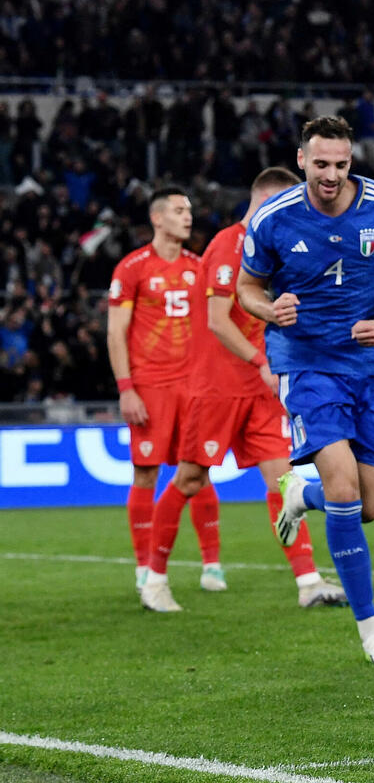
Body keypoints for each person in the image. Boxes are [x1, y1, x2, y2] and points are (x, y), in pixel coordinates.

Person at [237, 116, 374, 664]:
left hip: (369, 366)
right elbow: (247, 287)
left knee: (367, 506)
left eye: (340, 164)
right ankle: (372, 629)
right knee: (344, 489)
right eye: (320, 163)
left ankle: (302, 494)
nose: (330, 175)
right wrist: (269, 309)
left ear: (351, 161)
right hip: (305, 365)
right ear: (301, 160)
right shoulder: (273, 218)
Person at [140, 167, 348, 612]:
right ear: (268, 201)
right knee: (190, 479)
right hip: (216, 387)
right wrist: (260, 361)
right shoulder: (228, 244)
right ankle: (154, 581)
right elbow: (218, 321)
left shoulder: (274, 248)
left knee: (285, 481)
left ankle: (308, 581)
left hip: (259, 391)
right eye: (290, 203)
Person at [107, 187, 221, 600]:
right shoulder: (132, 268)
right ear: (157, 218)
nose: (187, 216)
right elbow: (116, 332)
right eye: (178, 210)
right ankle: (144, 567)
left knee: (199, 470)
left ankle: (212, 564)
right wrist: (126, 389)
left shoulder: (199, 266)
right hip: (151, 387)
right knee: (146, 473)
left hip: (196, 387)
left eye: (188, 210)